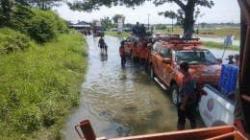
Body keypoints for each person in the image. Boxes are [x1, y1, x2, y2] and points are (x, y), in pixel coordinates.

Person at [177, 62, 197, 130]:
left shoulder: (187, 80)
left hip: (187, 103)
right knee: (192, 118)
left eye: (180, 68)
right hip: (192, 101)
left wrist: (183, 106)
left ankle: (180, 133)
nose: (179, 70)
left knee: (181, 119)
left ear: (182, 69)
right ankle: (194, 132)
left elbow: (186, 94)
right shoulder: (190, 76)